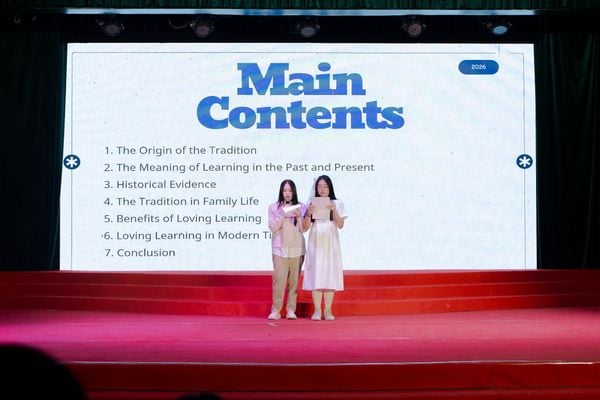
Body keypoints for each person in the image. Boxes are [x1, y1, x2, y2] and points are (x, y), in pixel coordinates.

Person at [302, 175, 346, 321]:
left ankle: (327, 309)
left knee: (329, 272)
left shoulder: (337, 203)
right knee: (316, 271)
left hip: (330, 240)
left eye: (325, 186)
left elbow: (340, 225)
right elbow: (305, 227)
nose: (322, 189)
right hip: (316, 238)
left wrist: (334, 211)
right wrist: (308, 214)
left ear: (330, 187)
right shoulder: (311, 203)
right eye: (319, 186)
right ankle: (317, 310)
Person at [267, 179, 307, 320]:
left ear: (294, 191)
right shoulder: (274, 207)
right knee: (279, 281)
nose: (287, 193)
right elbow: (273, 227)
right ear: (281, 192)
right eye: (285, 190)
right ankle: (276, 310)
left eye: (290, 190)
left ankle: (291, 310)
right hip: (280, 249)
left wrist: (300, 217)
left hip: (297, 249)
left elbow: (303, 229)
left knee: (294, 282)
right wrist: (282, 215)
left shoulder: (301, 207)